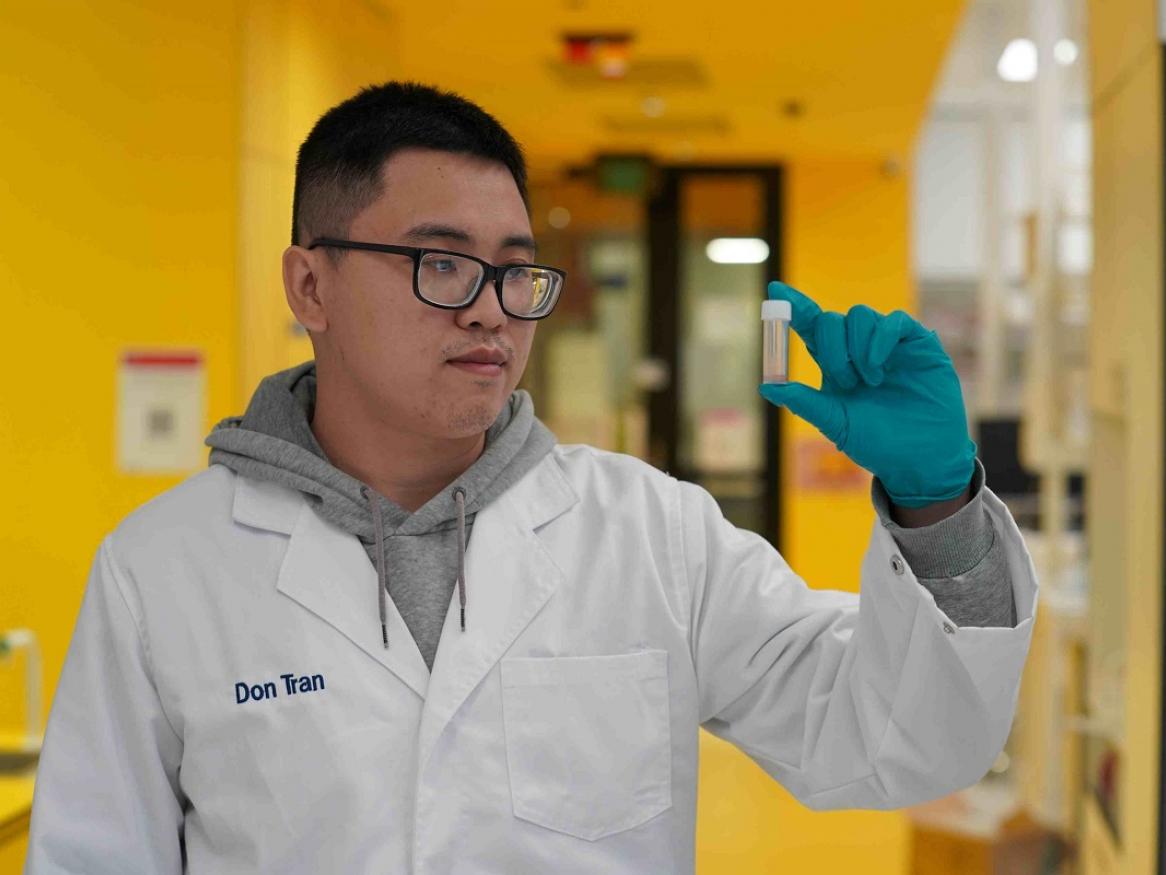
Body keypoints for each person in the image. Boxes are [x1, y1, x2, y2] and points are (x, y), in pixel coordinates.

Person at [25, 81, 1036, 874]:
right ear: (309, 285)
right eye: (439, 262)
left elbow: (890, 740)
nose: (490, 310)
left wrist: (936, 505)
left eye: (514, 269)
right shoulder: (165, 569)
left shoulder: (652, 532)